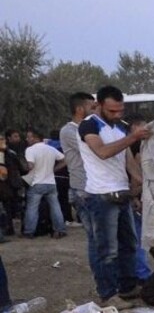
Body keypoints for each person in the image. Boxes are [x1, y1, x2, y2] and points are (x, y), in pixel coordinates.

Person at [79, 86, 152, 303]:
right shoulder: (89, 125)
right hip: (101, 195)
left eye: (120, 110)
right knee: (107, 250)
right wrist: (133, 137)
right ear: (99, 105)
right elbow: (102, 152)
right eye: (112, 111)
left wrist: (143, 185)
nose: (117, 115)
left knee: (129, 244)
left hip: (122, 193)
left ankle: (127, 286)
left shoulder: (120, 127)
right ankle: (108, 293)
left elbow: (127, 161)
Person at [60, 92, 96, 232]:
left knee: (99, 234)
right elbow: (96, 149)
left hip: (93, 185)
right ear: (80, 109)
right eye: (92, 108)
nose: (95, 111)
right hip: (82, 186)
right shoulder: (69, 131)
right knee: (95, 232)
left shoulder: (92, 128)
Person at [21, 129, 67, 238]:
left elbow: (31, 165)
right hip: (51, 182)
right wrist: (53, 170)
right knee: (55, 207)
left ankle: (29, 231)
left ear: (36, 138)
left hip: (37, 182)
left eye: (29, 137)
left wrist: (24, 169)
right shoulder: (51, 149)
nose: (27, 139)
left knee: (32, 208)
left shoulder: (30, 150)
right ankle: (60, 229)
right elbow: (64, 160)